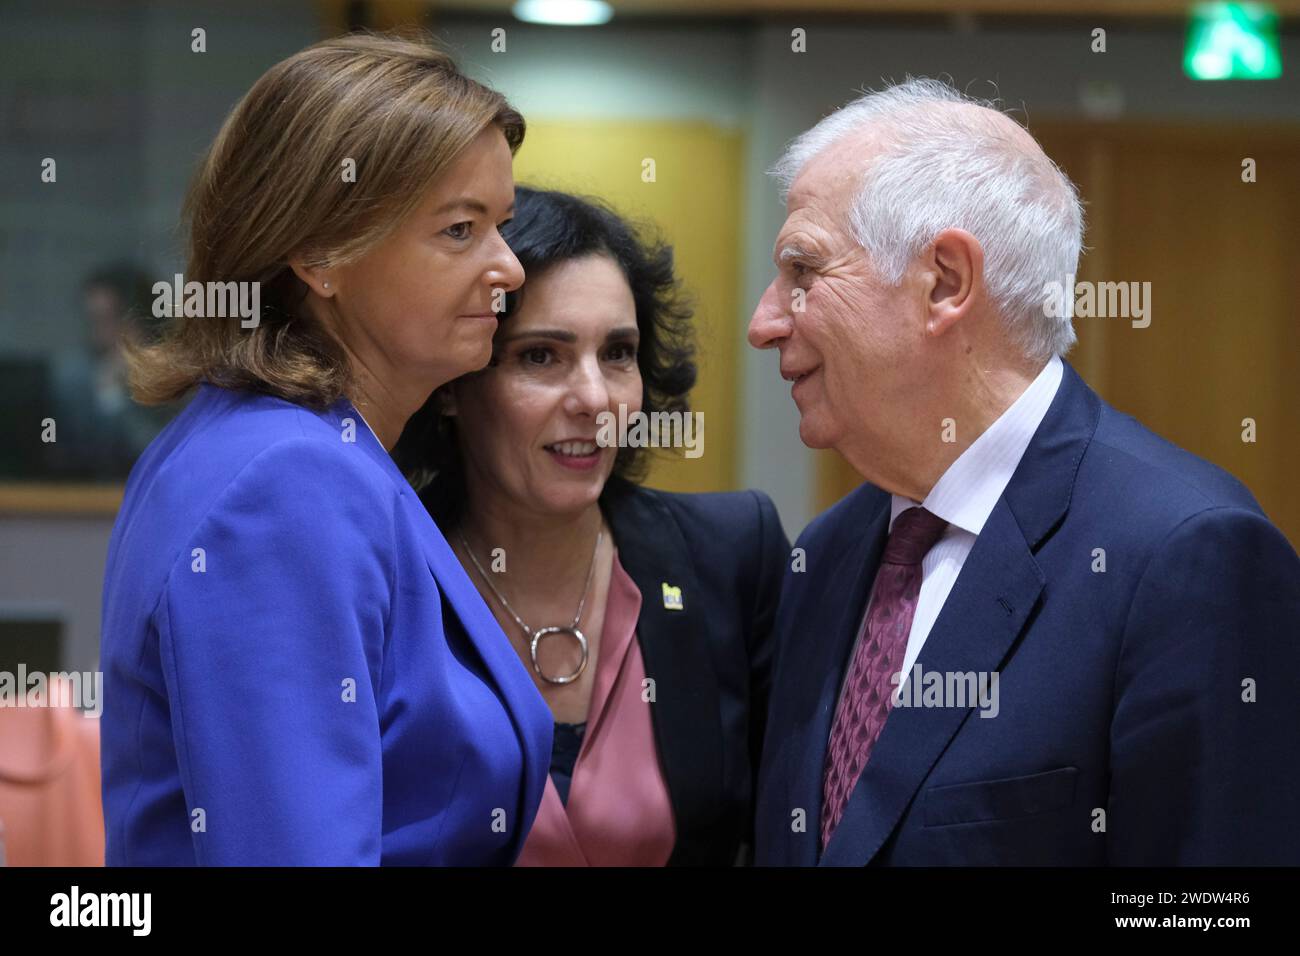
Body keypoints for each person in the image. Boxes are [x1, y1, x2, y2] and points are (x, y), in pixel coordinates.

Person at [749, 78, 1300, 866]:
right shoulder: (826, 555)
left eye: (803, 271)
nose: (764, 322)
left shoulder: (1187, 557)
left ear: (944, 281)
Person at [100, 34, 551, 865]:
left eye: (502, 226)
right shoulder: (287, 478)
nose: (510, 267)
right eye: (460, 229)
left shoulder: (276, 443)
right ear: (317, 255)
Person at [394, 187, 789, 865]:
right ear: (454, 383)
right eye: (540, 357)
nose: (595, 399)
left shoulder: (731, 555)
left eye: (617, 354)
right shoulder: (390, 574)